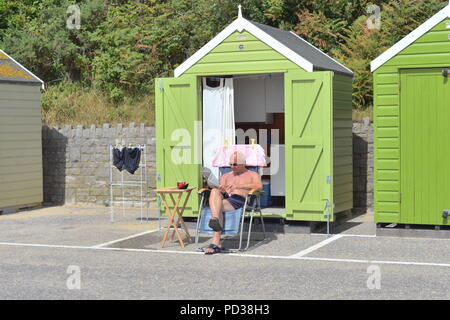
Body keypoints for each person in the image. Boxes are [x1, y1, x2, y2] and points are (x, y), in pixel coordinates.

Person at [204, 151, 263, 255]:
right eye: (230, 164)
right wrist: (221, 188)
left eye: (235, 164)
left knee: (217, 208)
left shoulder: (252, 174)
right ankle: (215, 219)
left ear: (243, 163)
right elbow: (221, 189)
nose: (232, 166)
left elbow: (259, 186)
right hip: (225, 198)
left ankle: (216, 243)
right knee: (214, 191)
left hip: (238, 199)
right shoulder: (226, 176)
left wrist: (239, 186)